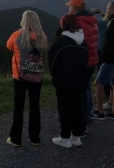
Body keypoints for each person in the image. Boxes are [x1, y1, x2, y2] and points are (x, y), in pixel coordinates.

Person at [5, 10, 48, 146]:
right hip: (36, 76)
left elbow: (8, 46)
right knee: (35, 106)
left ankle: (16, 139)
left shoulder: (17, 35)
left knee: (19, 107)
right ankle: (34, 138)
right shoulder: (42, 36)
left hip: (19, 77)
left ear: (24, 21)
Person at [48, 14, 89, 148]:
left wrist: (54, 74)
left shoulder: (61, 42)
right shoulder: (83, 42)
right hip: (80, 80)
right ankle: (76, 137)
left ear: (63, 25)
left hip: (63, 81)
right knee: (77, 107)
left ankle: (65, 138)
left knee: (64, 108)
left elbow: (53, 62)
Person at [64, 0, 98, 134]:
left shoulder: (77, 23)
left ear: (75, 8)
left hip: (81, 61)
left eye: (70, 7)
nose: (68, 9)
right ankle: (87, 116)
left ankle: (80, 120)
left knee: (79, 92)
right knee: (86, 89)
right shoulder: (92, 21)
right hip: (92, 60)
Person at [91, 1, 114, 121]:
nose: (106, 11)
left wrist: (105, 58)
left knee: (98, 83)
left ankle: (100, 112)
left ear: (113, 9)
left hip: (112, 59)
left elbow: (110, 42)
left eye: (107, 8)